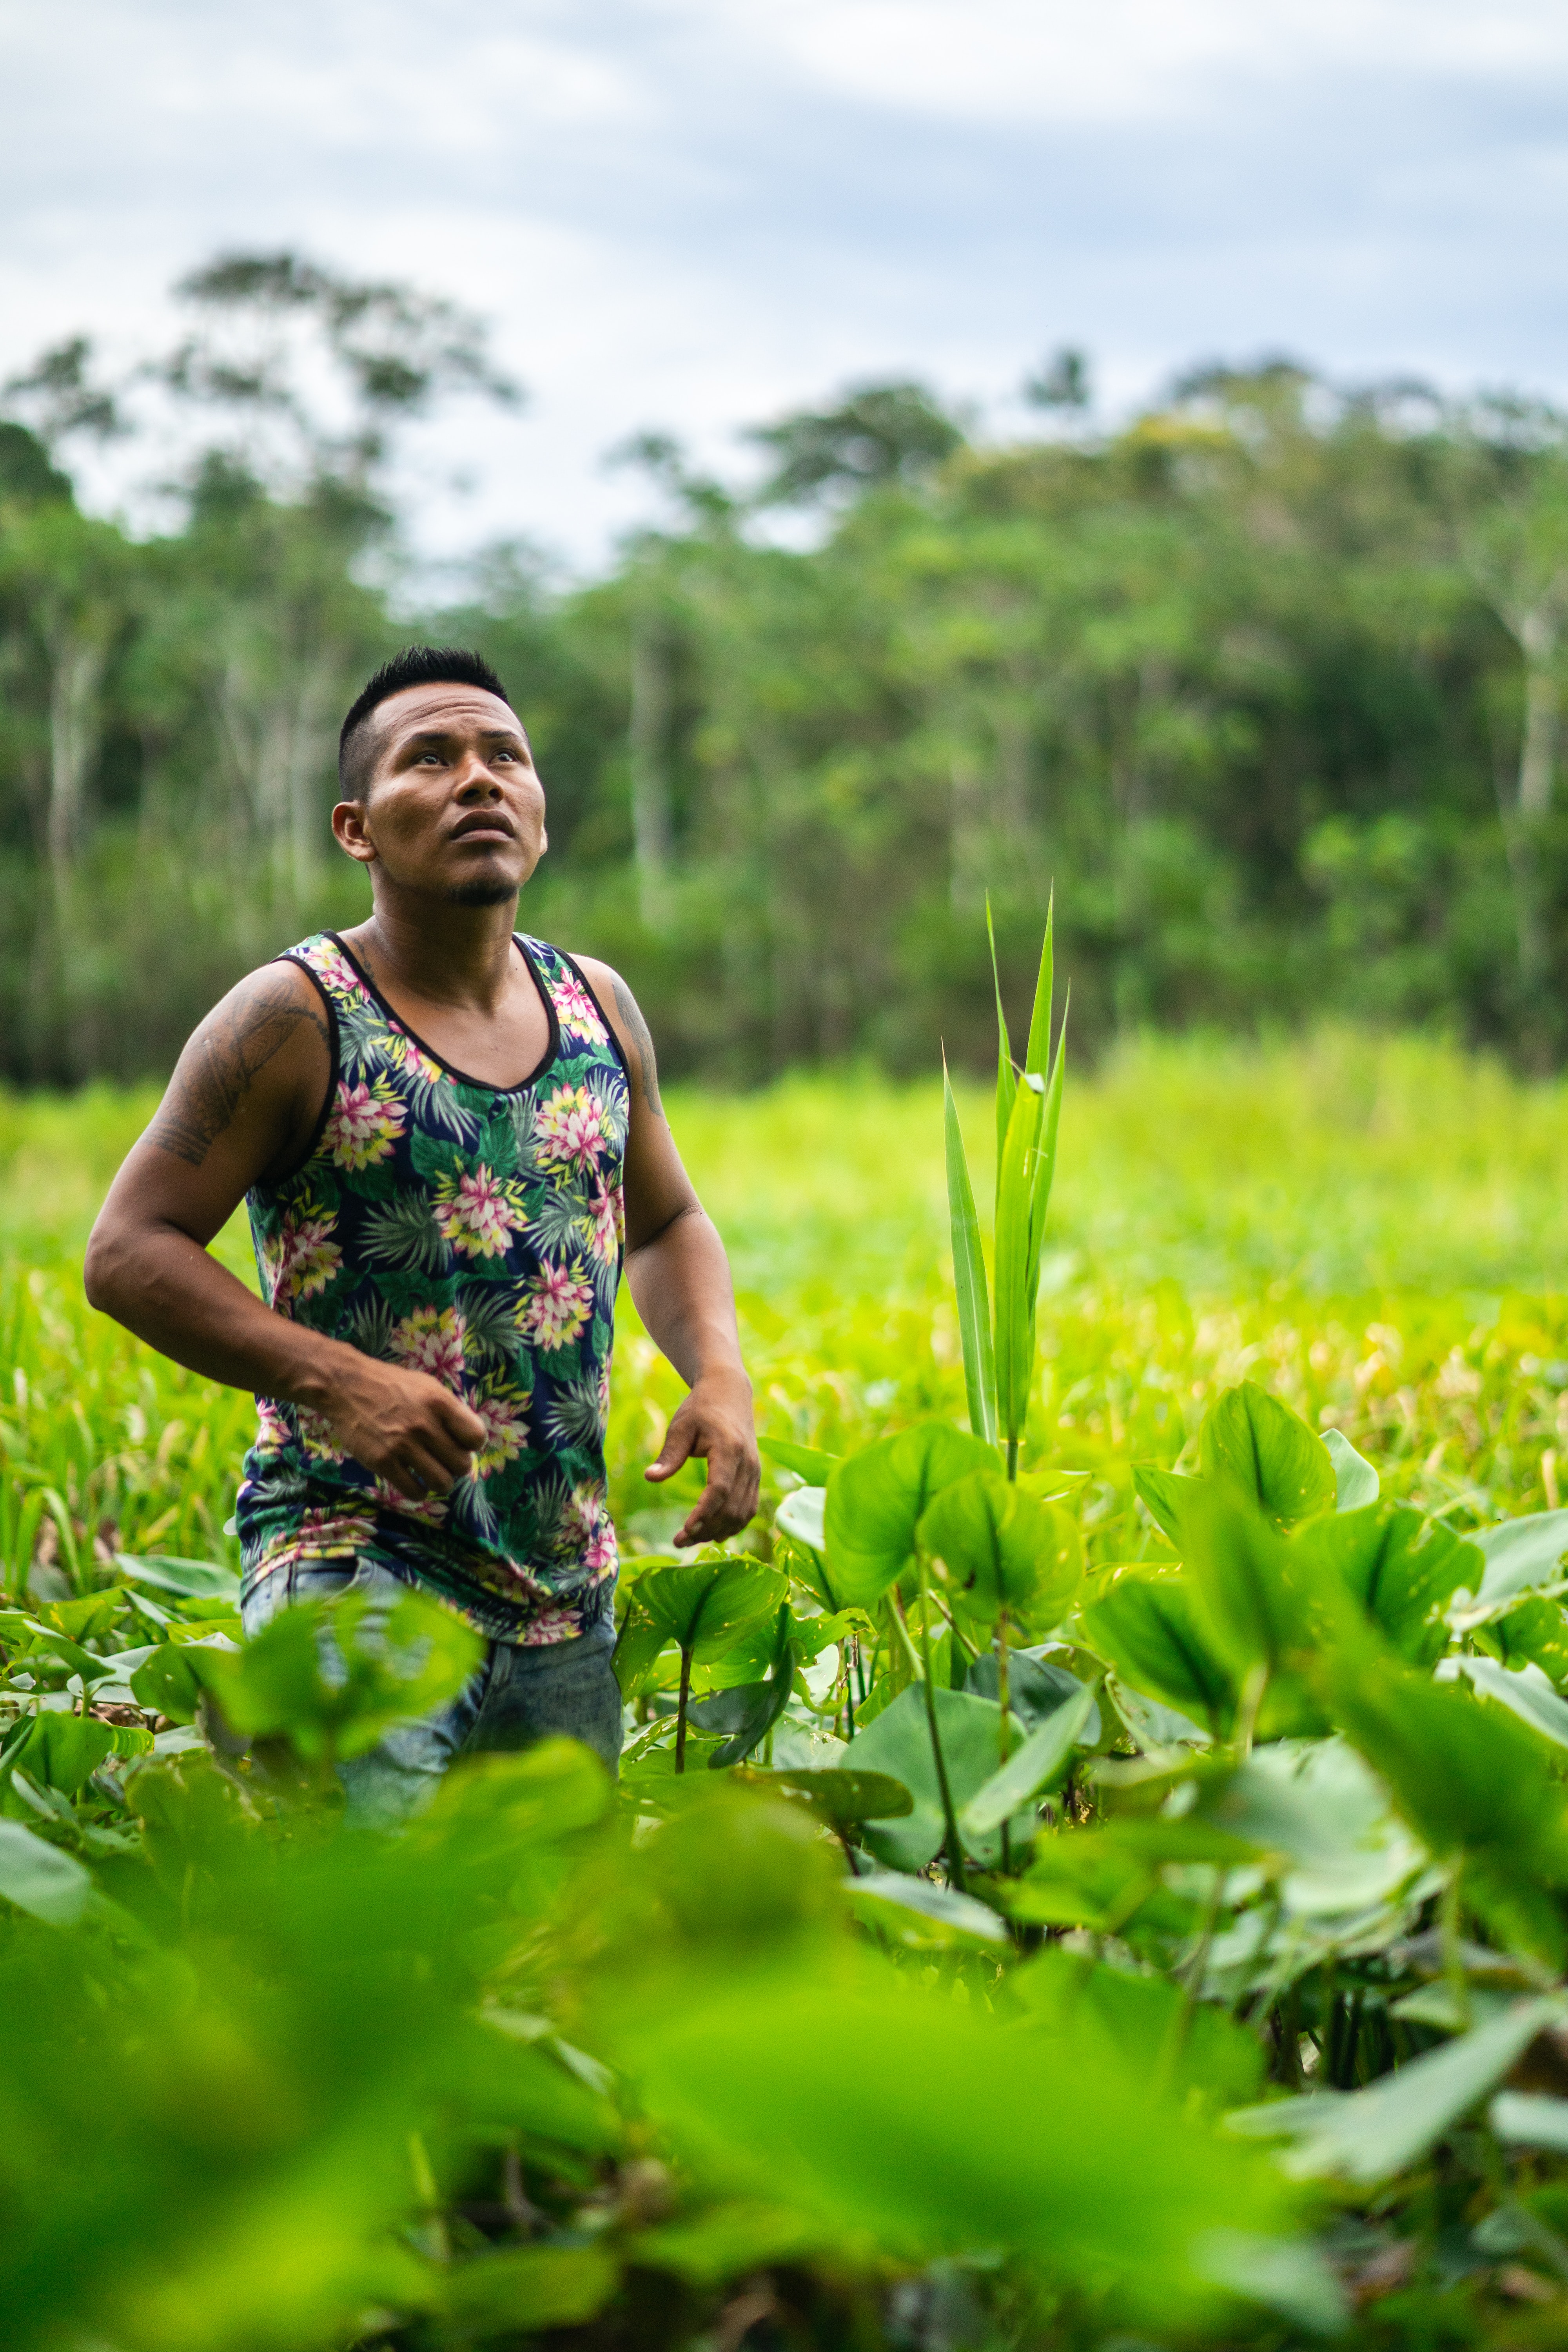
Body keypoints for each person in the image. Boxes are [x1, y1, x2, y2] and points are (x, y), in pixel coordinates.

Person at [85, 644, 759, 1816]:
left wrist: (720, 1376)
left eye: (507, 757)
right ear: (357, 826)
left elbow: (668, 1221)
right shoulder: (296, 1016)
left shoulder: (597, 1005)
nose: (479, 780)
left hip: (565, 1600)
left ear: (542, 812)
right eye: (432, 759)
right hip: (357, 1571)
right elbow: (128, 1251)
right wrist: (340, 1382)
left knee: (539, 1972)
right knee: (371, 1964)